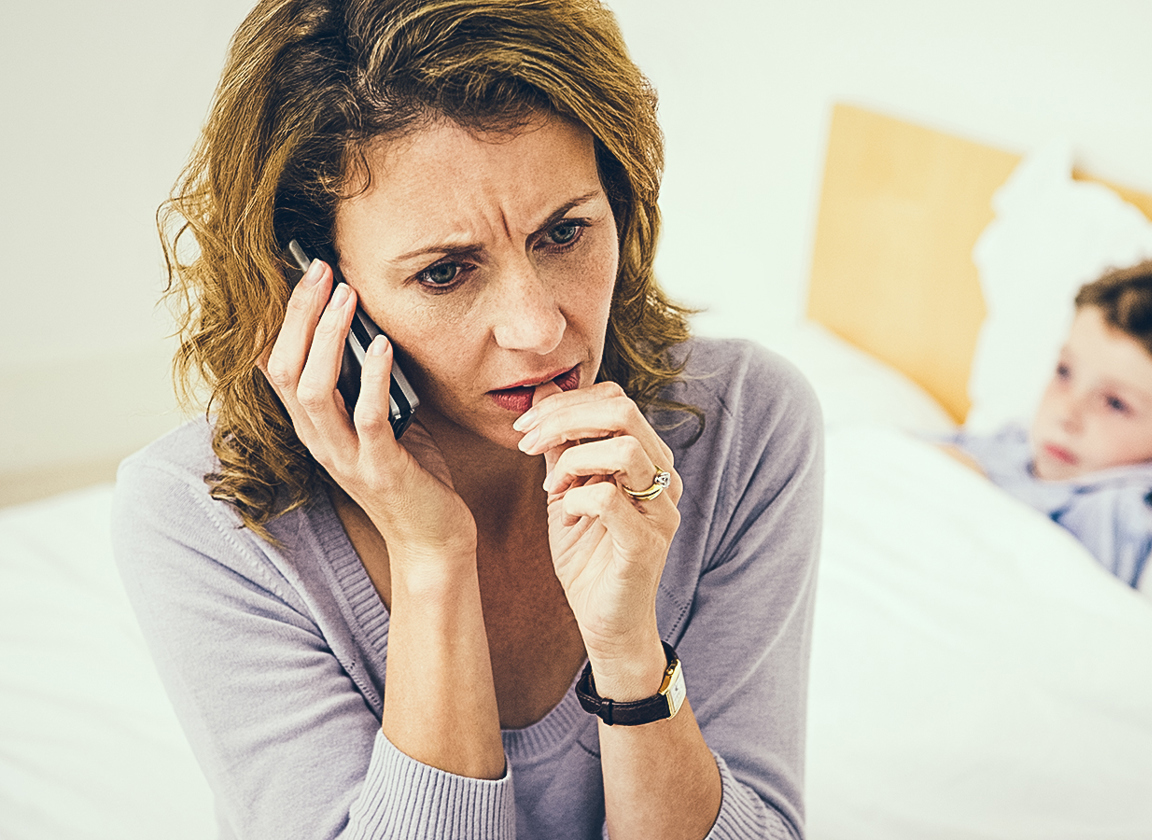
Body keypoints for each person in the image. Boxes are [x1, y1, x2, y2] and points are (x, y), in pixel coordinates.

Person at [110, 2, 822, 838]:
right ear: (313, 284)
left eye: (565, 232)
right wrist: (430, 560)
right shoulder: (200, 518)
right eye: (446, 273)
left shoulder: (743, 425)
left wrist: (630, 649)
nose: (538, 328)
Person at [944, 255, 1152, 587]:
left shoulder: (1112, 511)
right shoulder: (1015, 441)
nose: (1066, 413)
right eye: (1064, 373)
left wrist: (966, 491)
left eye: (1115, 403)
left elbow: (1057, 600)